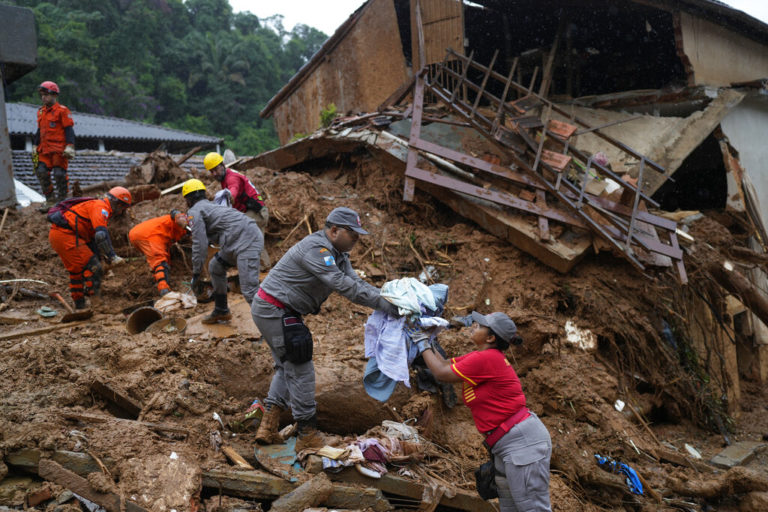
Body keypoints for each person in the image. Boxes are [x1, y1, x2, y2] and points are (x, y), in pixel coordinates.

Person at [251, 206, 399, 449]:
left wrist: (388, 298)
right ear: (334, 230)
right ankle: (308, 436)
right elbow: (343, 285)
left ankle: (267, 426)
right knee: (301, 367)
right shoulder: (317, 250)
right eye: (353, 234)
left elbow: (355, 281)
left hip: (280, 309)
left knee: (286, 366)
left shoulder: (339, 254)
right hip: (274, 309)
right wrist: (385, 304)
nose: (357, 239)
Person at [417, 311, 552, 511]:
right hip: (507, 444)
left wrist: (421, 342)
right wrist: (429, 339)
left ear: (490, 338)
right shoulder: (483, 356)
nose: (473, 326)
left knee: (531, 508)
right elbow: (444, 364)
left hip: (521, 442)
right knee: (510, 508)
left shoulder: (487, 359)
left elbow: (441, 373)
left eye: (479, 326)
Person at [182, 179, 264, 324]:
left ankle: (273, 325)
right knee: (215, 266)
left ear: (188, 199)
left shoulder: (194, 211)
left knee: (250, 290)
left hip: (246, 241)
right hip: (238, 239)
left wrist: (196, 273)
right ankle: (221, 310)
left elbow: (199, 244)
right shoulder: (210, 206)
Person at [48, 187, 132, 310]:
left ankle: (80, 305)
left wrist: (101, 256)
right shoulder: (101, 207)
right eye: (122, 209)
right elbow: (101, 235)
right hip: (66, 235)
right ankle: (97, 305)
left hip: (61, 235)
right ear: (118, 204)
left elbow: (92, 239)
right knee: (95, 268)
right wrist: (112, 256)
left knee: (77, 271)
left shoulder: (95, 206)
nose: (120, 213)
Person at [34, 81, 76, 210]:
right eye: (42, 95)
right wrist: (35, 146)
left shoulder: (62, 111)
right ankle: (50, 200)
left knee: (59, 174)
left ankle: (63, 201)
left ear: (54, 95)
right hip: (44, 149)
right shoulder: (40, 112)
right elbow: (39, 130)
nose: (43, 98)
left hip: (58, 150)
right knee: (41, 172)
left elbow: (69, 129)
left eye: (46, 95)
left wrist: (70, 146)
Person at [128, 210, 189, 297]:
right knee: (160, 261)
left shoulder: (172, 227)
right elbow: (176, 214)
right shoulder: (186, 219)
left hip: (140, 234)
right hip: (149, 234)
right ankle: (164, 290)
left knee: (163, 259)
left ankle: (160, 280)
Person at [203, 152, 268, 230]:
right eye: (211, 171)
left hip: (258, 212)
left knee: (238, 229)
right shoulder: (225, 178)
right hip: (250, 211)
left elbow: (234, 188)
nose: (214, 174)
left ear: (222, 164)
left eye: (216, 169)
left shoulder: (232, 178)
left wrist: (231, 196)